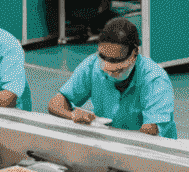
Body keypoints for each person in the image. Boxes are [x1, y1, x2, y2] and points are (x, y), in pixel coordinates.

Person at [49, 16, 177, 137]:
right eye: (106, 66)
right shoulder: (93, 65)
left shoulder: (155, 79)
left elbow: (150, 134)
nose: (111, 73)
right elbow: (55, 103)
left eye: (118, 70)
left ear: (135, 52)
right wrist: (72, 115)